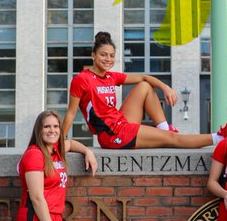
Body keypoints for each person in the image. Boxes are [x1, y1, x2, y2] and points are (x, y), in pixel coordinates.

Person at [62, 31, 217, 150]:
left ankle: (163, 128)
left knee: (145, 86)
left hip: (121, 123)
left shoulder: (111, 76)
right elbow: (70, 113)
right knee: (173, 139)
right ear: (93, 56)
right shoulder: (82, 79)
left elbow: (145, 78)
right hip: (111, 134)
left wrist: (165, 87)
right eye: (103, 55)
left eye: (111, 55)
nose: (108, 59)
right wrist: (60, 142)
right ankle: (219, 138)